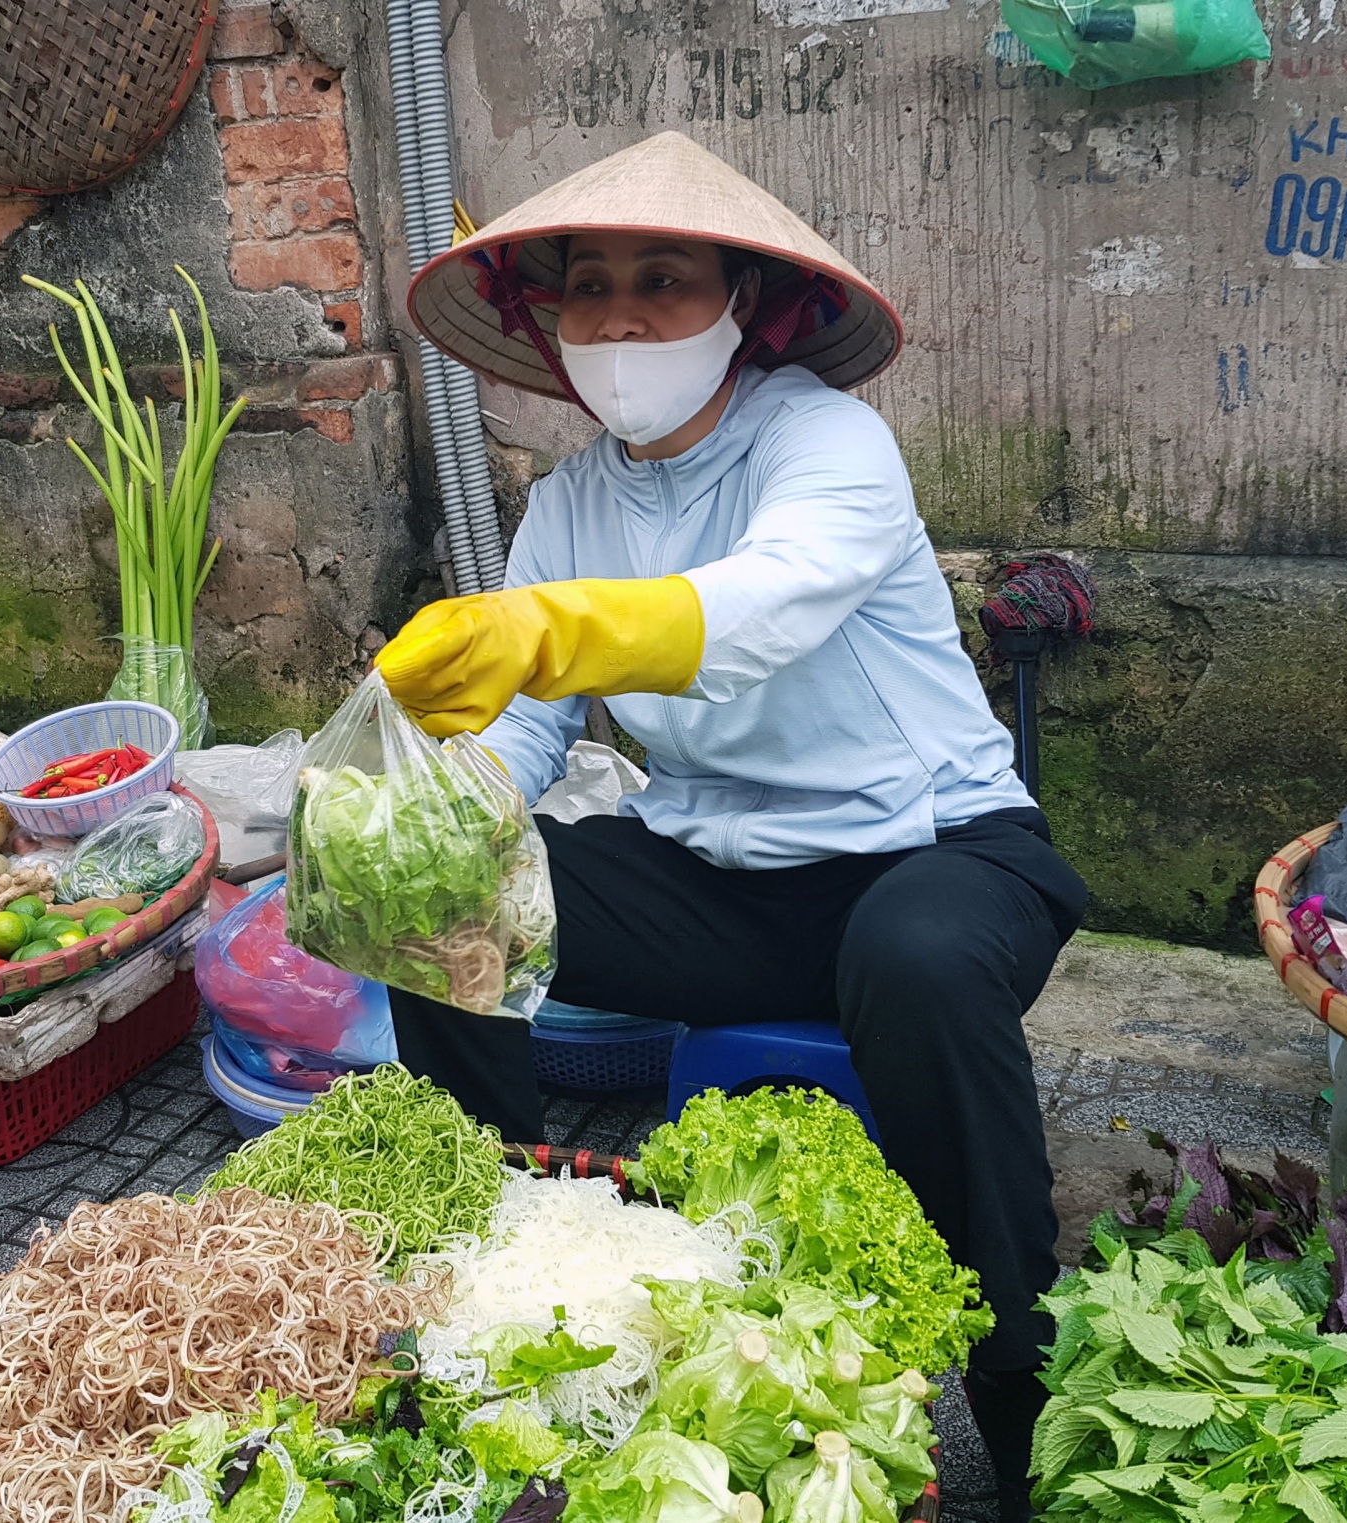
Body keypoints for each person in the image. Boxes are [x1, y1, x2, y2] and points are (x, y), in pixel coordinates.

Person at [375, 131, 1085, 1520]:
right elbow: (526, 737)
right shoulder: (572, 503)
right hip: (728, 882)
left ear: (743, 309)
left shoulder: (826, 442)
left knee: (919, 962)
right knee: (435, 886)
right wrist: (425, 792)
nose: (623, 317)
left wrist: (549, 631)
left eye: (664, 280)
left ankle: (1021, 1386)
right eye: (590, 287)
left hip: (935, 859)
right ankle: (498, 1259)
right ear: (552, 323)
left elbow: (761, 614)